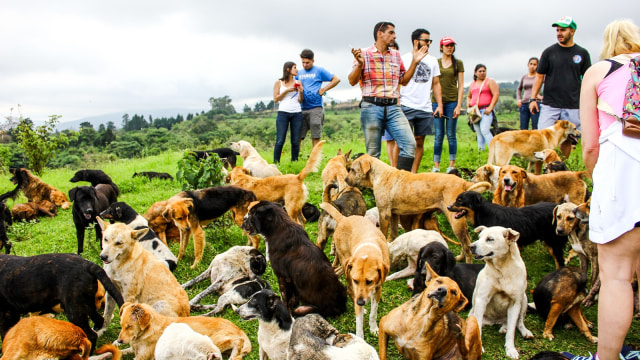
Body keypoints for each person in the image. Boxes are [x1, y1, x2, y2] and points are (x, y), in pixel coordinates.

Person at [562, 19, 640, 360]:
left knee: (618, 276)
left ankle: (606, 358)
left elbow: (590, 147)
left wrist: (597, 180)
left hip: (623, 172)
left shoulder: (598, 73)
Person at [348, 21, 427, 171]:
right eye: (391, 32)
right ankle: (373, 190)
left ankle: (401, 185)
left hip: (393, 107)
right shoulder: (363, 53)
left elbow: (403, 80)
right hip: (371, 106)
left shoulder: (396, 55)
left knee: (410, 145)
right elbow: (352, 81)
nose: (394, 36)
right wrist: (359, 64)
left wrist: (415, 62)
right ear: (380, 33)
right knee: (373, 153)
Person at [529, 16, 591, 157]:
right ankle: (543, 173)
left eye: (563, 30)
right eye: (557, 30)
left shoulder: (582, 53)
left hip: (572, 104)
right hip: (550, 104)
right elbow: (539, 76)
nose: (559, 33)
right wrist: (533, 99)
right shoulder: (549, 52)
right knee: (543, 138)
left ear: (572, 31)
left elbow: (587, 78)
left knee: (567, 139)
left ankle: (561, 167)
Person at [399, 28, 442, 173]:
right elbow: (400, 81)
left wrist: (440, 104)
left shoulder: (433, 60)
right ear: (416, 41)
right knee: (405, 141)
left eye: (430, 41)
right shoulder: (404, 58)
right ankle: (402, 172)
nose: (428, 44)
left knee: (419, 141)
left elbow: (436, 83)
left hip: (425, 106)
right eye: (426, 41)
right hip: (406, 104)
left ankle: (413, 173)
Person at [432, 36, 464, 173]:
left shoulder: (458, 63)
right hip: (437, 102)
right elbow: (433, 83)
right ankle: (436, 166)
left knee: (451, 134)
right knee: (438, 134)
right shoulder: (436, 62)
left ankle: (451, 164)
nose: (449, 47)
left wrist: (459, 105)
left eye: (451, 45)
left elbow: (461, 85)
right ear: (441, 47)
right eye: (447, 45)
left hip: (452, 101)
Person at [297, 49, 341, 148]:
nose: (305, 65)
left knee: (315, 136)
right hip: (301, 108)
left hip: (316, 108)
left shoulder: (319, 70)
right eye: (303, 62)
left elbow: (336, 79)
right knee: (298, 136)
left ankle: (315, 159)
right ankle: (295, 160)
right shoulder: (298, 73)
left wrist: (324, 89)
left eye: (307, 62)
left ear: (313, 60)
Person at [273, 61, 303, 164]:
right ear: (288, 69)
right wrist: (286, 91)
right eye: (295, 67)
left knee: (295, 141)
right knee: (280, 139)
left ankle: (294, 161)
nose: (297, 70)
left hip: (297, 113)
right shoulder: (279, 82)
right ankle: (276, 163)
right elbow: (276, 99)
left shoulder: (298, 82)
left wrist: (301, 92)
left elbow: (300, 100)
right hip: (283, 113)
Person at [467, 64, 499, 151]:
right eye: (480, 71)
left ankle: (494, 151)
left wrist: (491, 107)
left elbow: (496, 94)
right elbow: (469, 96)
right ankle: (481, 151)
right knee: (479, 132)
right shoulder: (472, 84)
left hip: (485, 110)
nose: (482, 73)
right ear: (475, 73)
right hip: (475, 111)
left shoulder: (489, 81)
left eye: (484, 71)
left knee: (485, 130)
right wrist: (468, 103)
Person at [383, 41, 400, 167]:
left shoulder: (399, 66)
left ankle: (396, 164)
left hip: (399, 105)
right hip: (385, 105)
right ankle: (392, 165)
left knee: (400, 139)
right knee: (389, 139)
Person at [517, 57, 542, 130]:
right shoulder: (524, 77)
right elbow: (519, 89)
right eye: (531, 64)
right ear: (528, 65)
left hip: (535, 103)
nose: (532, 66)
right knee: (523, 129)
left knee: (535, 128)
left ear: (538, 66)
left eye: (535, 64)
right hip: (524, 104)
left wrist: (542, 97)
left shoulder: (539, 76)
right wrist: (519, 99)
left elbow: (549, 86)